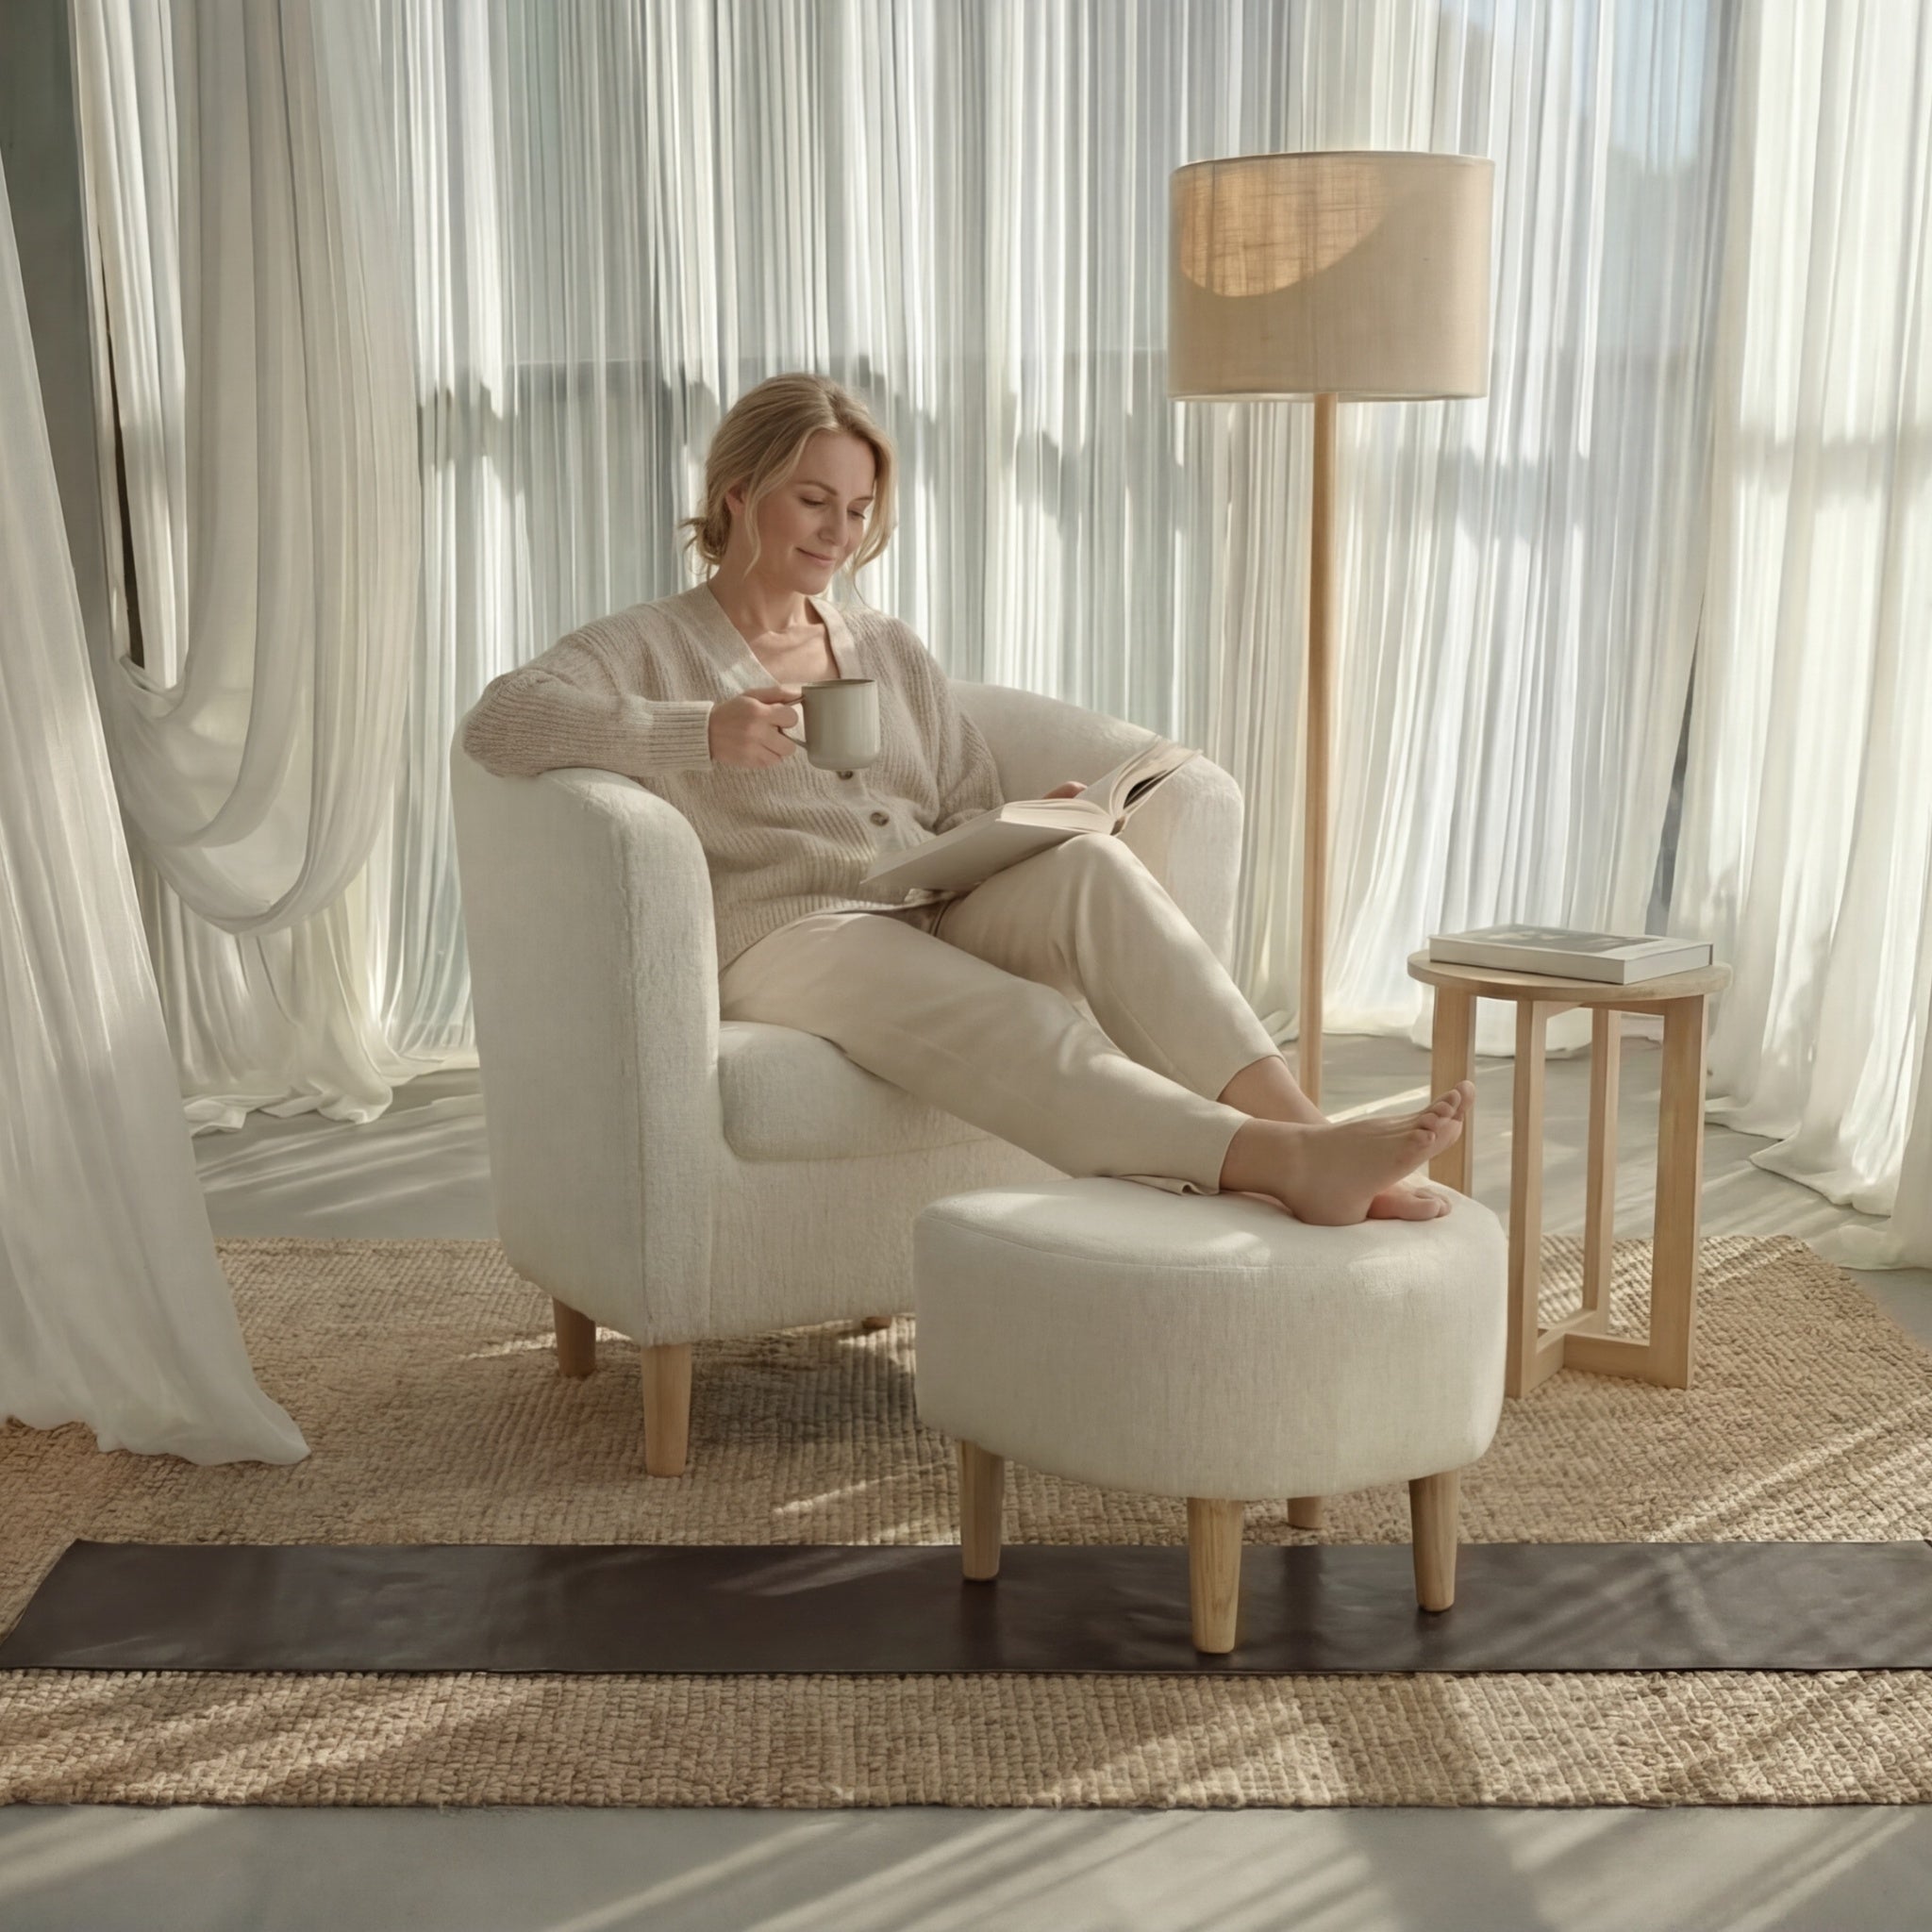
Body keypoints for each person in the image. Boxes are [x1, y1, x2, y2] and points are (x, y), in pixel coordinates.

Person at [461, 373, 1468, 1222]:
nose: (839, 532)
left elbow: (957, 798)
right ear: (737, 493)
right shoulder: (647, 644)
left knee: (1093, 866)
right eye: (813, 501)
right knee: (1016, 1016)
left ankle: (1304, 1127)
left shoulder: (886, 645)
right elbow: (501, 721)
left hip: (930, 899)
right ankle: (1277, 1163)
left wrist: (1018, 830)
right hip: (787, 933)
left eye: (858, 509)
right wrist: (700, 731)